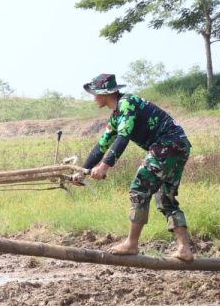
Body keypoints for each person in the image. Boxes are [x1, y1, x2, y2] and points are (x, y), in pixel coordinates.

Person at [81, 73, 194, 262]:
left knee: (139, 188)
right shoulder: (117, 115)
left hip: (167, 145)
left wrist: (104, 167)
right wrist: (83, 171)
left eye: (95, 94)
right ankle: (184, 249)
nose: (93, 98)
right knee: (165, 198)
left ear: (106, 94)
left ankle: (131, 244)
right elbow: (102, 146)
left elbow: (122, 138)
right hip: (179, 146)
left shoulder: (127, 104)